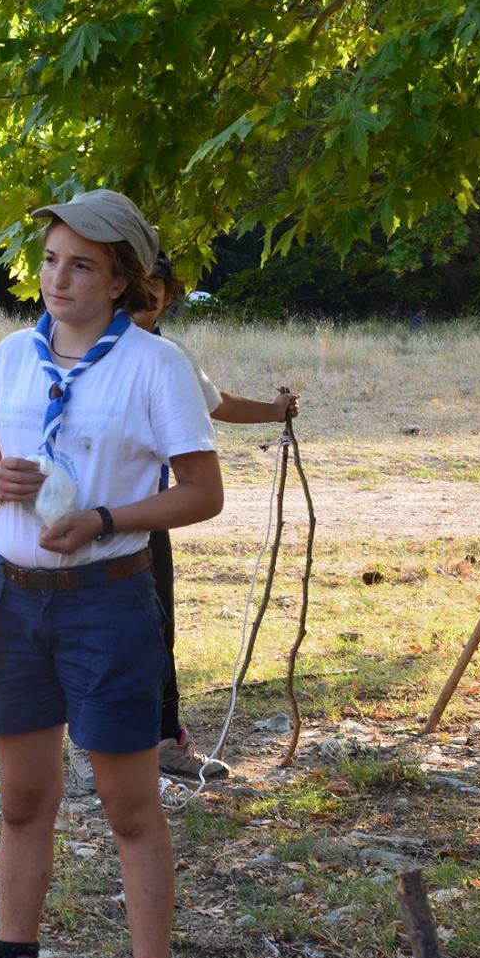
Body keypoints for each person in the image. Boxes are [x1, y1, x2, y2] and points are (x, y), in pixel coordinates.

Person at [0, 189, 222, 958]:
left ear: (119, 280)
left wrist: (106, 519)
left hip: (107, 599)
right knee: (23, 799)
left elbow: (203, 492)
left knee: (128, 805)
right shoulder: (13, 355)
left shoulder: (154, 364)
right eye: (50, 260)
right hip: (16, 596)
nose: (57, 279)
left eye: (81, 265)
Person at [134, 256, 299, 782]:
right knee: (97, 629)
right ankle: (89, 749)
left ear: (170, 296)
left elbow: (212, 402)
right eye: (137, 282)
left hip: (147, 512)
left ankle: (162, 742)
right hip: (87, 514)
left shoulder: (169, 354)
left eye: (157, 285)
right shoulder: (80, 348)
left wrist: (273, 411)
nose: (145, 294)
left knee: (156, 628)